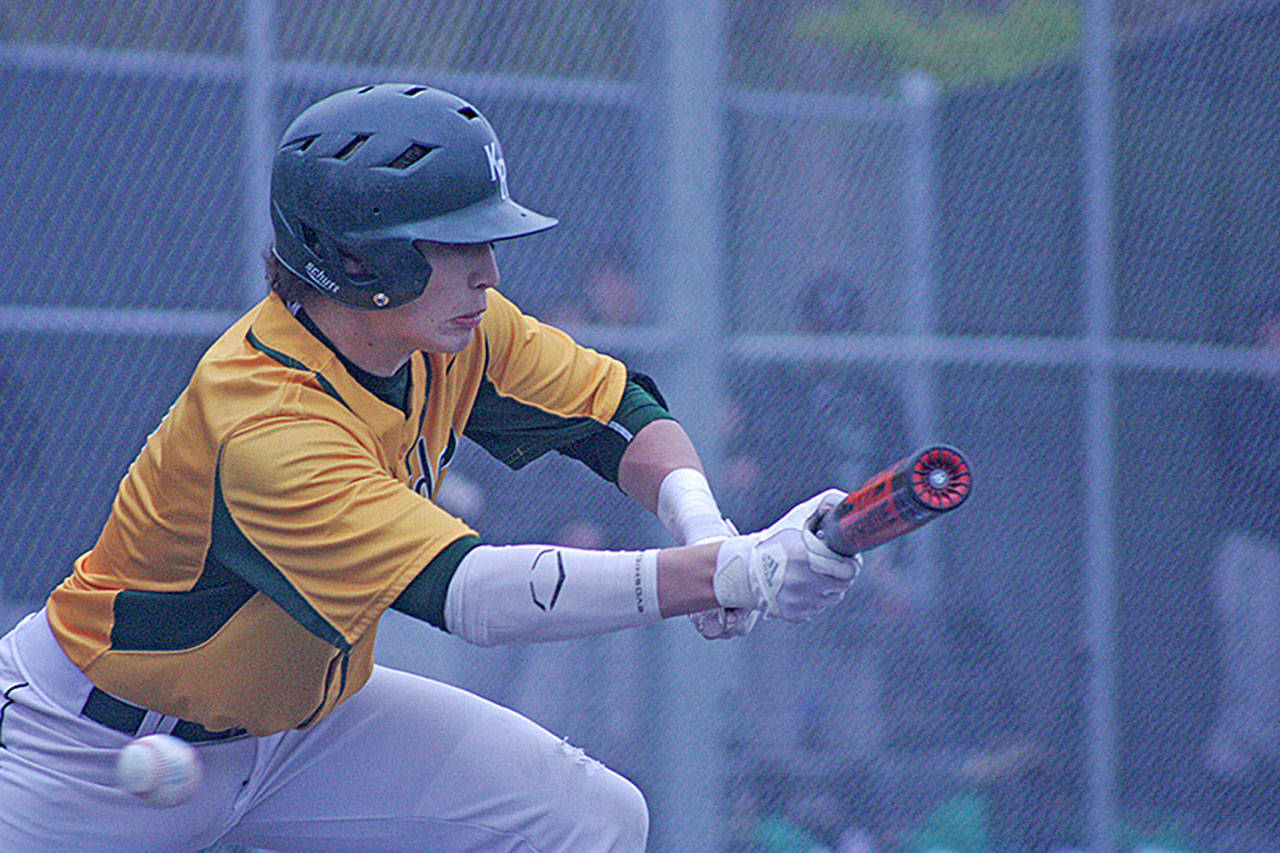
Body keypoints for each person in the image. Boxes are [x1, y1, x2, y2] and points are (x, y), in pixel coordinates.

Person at [0, 83, 862, 851]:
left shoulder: (455, 330)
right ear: (353, 259)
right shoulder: (265, 423)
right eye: (454, 245)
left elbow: (618, 413)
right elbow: (474, 593)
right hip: (84, 753)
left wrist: (714, 539)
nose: (488, 272)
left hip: (301, 732)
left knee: (586, 815)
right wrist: (721, 576)